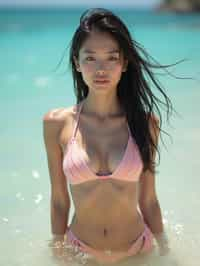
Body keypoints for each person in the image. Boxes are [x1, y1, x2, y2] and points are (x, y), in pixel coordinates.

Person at [43, 8, 171, 264]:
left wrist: (166, 250)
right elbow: (59, 199)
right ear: (77, 63)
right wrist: (57, 251)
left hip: (138, 251)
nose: (101, 69)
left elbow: (148, 199)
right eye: (90, 58)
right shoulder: (57, 123)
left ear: (124, 64)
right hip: (80, 253)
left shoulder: (145, 124)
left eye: (111, 58)